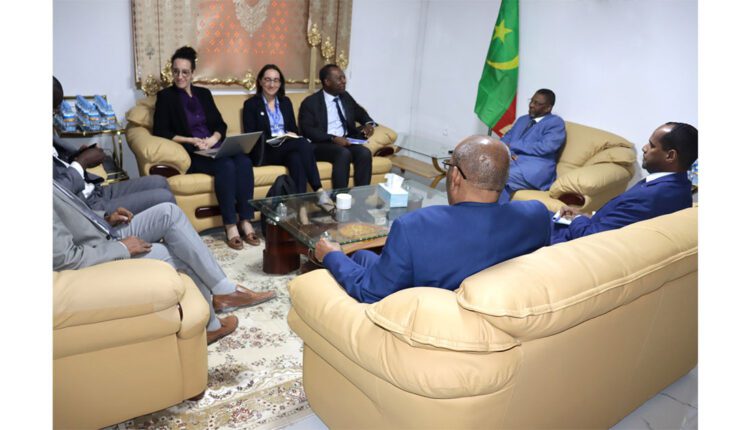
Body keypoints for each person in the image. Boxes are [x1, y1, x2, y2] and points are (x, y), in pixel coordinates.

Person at [313, 135, 551, 303]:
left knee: (345, 259)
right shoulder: (536, 215)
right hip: (487, 298)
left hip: (420, 309)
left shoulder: (413, 227)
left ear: (455, 176)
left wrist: (332, 255)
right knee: (362, 256)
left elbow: (371, 293)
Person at [52, 180, 277, 345]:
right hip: (98, 253)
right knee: (171, 254)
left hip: (102, 233)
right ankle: (209, 326)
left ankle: (223, 289)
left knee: (168, 212)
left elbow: (72, 215)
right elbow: (66, 259)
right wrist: (122, 248)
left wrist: (105, 219)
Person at [152, 46, 258, 250]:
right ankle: (230, 225)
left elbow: (220, 124)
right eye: (176, 71)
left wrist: (213, 139)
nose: (180, 76)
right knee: (226, 165)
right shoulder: (166, 96)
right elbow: (160, 130)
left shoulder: (204, 94)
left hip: (213, 147)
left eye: (185, 72)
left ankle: (245, 220)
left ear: (193, 73)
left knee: (244, 161)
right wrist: (191, 140)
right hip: (194, 153)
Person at [550, 122, 697, 244]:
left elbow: (589, 236)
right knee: (543, 211)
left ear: (670, 156)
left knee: (538, 210)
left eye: (652, 145)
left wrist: (577, 219)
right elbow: (622, 219)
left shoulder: (650, 196)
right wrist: (586, 216)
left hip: (563, 240)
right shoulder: (681, 188)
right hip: (583, 226)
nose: (644, 148)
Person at [53, 76, 175, 216]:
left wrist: (76, 157)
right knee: (165, 198)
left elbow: (59, 165)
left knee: (160, 181)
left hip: (95, 190)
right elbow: (55, 196)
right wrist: (82, 162)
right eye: (54, 109)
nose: (56, 113)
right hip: (89, 207)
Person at [242, 64, 326, 195]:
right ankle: (318, 189)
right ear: (260, 81)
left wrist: (291, 134)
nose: (272, 84)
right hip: (265, 151)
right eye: (268, 80)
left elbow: (294, 129)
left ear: (280, 83)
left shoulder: (285, 102)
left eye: (276, 80)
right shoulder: (251, 104)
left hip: (285, 147)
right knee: (303, 143)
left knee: (296, 159)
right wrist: (273, 139)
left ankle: (299, 204)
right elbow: (250, 134)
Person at [298, 64, 376, 189]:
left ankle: (362, 195)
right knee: (343, 153)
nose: (344, 81)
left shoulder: (345, 97)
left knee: (364, 153)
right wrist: (332, 138)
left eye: (344, 77)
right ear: (327, 82)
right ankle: (340, 196)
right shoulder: (310, 102)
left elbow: (360, 112)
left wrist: (369, 124)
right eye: (339, 78)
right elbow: (308, 130)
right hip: (321, 144)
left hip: (345, 141)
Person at [498, 88, 566, 203]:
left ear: (548, 108)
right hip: (510, 161)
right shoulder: (522, 120)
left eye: (537, 103)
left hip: (533, 169)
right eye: (531, 101)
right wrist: (506, 152)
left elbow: (546, 147)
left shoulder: (555, 123)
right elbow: (506, 139)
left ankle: (495, 213)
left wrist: (514, 146)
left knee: (498, 177)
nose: (531, 105)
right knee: (480, 170)